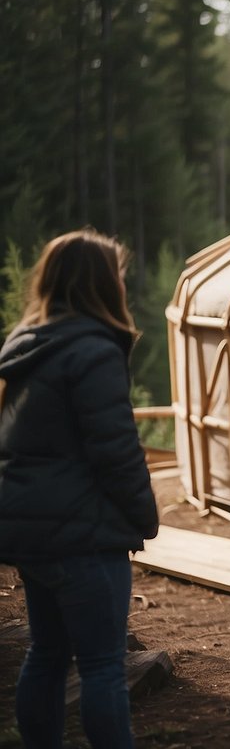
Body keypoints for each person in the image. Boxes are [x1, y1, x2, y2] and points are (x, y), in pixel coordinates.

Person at [0, 229, 160, 748]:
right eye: (117, 273)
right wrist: (144, 516)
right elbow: (115, 450)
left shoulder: (25, 345)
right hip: (83, 534)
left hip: (33, 530)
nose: (122, 282)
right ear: (98, 282)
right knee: (102, 666)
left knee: (46, 651)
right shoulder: (92, 350)